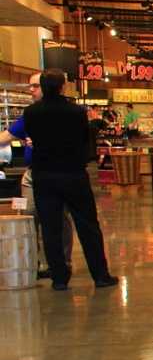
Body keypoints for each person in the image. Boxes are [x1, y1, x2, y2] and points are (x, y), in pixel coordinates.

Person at [21, 70, 117, 290]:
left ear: (43, 87)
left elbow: (33, 139)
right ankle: (100, 275)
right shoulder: (76, 111)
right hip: (73, 174)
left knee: (50, 227)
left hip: (44, 175)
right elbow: (84, 140)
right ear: (63, 86)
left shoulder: (31, 112)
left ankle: (59, 278)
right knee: (87, 225)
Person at [0, 72, 73, 279]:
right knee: (29, 215)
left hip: (58, 173)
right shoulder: (30, 114)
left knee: (58, 219)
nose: (31, 90)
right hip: (33, 174)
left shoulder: (65, 112)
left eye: (35, 86)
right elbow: (7, 136)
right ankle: (33, 262)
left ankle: (61, 263)